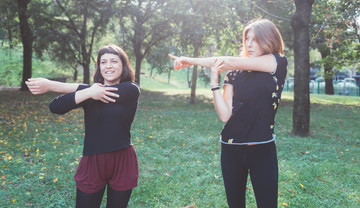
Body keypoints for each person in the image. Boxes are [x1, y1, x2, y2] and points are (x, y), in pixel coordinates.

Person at [169, 19, 287, 208]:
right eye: (247, 39)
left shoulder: (277, 62)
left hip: (262, 148)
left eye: (255, 39)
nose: (249, 44)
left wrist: (188, 61)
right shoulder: (234, 73)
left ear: (269, 39)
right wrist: (214, 83)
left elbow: (228, 61)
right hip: (231, 149)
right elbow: (225, 115)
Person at [26, 44, 140, 208]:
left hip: (123, 159)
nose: (108, 65)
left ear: (123, 65)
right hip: (93, 160)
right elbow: (55, 107)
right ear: (99, 67)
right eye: (103, 62)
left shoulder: (130, 89)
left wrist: (52, 85)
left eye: (114, 61)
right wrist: (88, 93)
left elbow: (104, 91)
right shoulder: (90, 93)